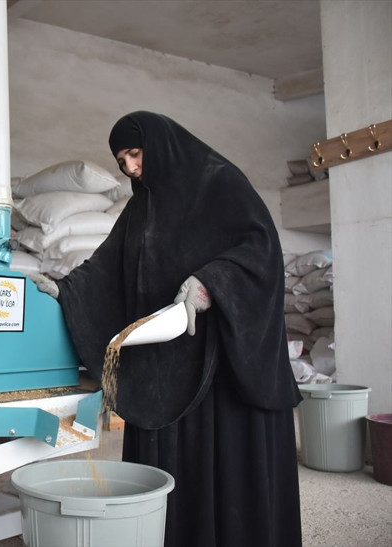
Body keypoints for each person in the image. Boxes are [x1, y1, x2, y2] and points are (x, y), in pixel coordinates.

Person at [31, 111, 302, 546]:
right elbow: (108, 265)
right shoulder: (144, 204)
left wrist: (210, 284)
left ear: (162, 145)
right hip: (166, 363)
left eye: (135, 155)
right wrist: (66, 292)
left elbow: (261, 251)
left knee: (225, 467)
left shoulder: (220, 182)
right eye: (122, 161)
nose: (130, 169)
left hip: (221, 364)